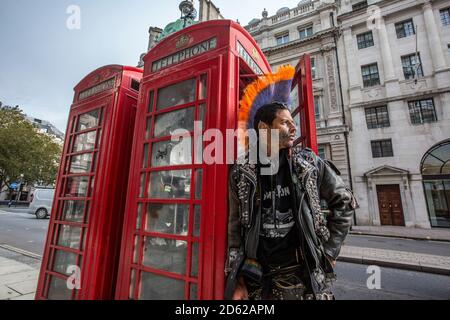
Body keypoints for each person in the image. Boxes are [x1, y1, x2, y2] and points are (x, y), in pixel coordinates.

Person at [224, 102, 357, 300]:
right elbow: (235, 230)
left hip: (303, 277)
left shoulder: (308, 164)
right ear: (263, 128)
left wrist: (330, 251)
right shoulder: (241, 172)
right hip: (257, 279)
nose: (294, 128)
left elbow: (345, 202)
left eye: (293, 123)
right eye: (285, 123)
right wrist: (238, 280)